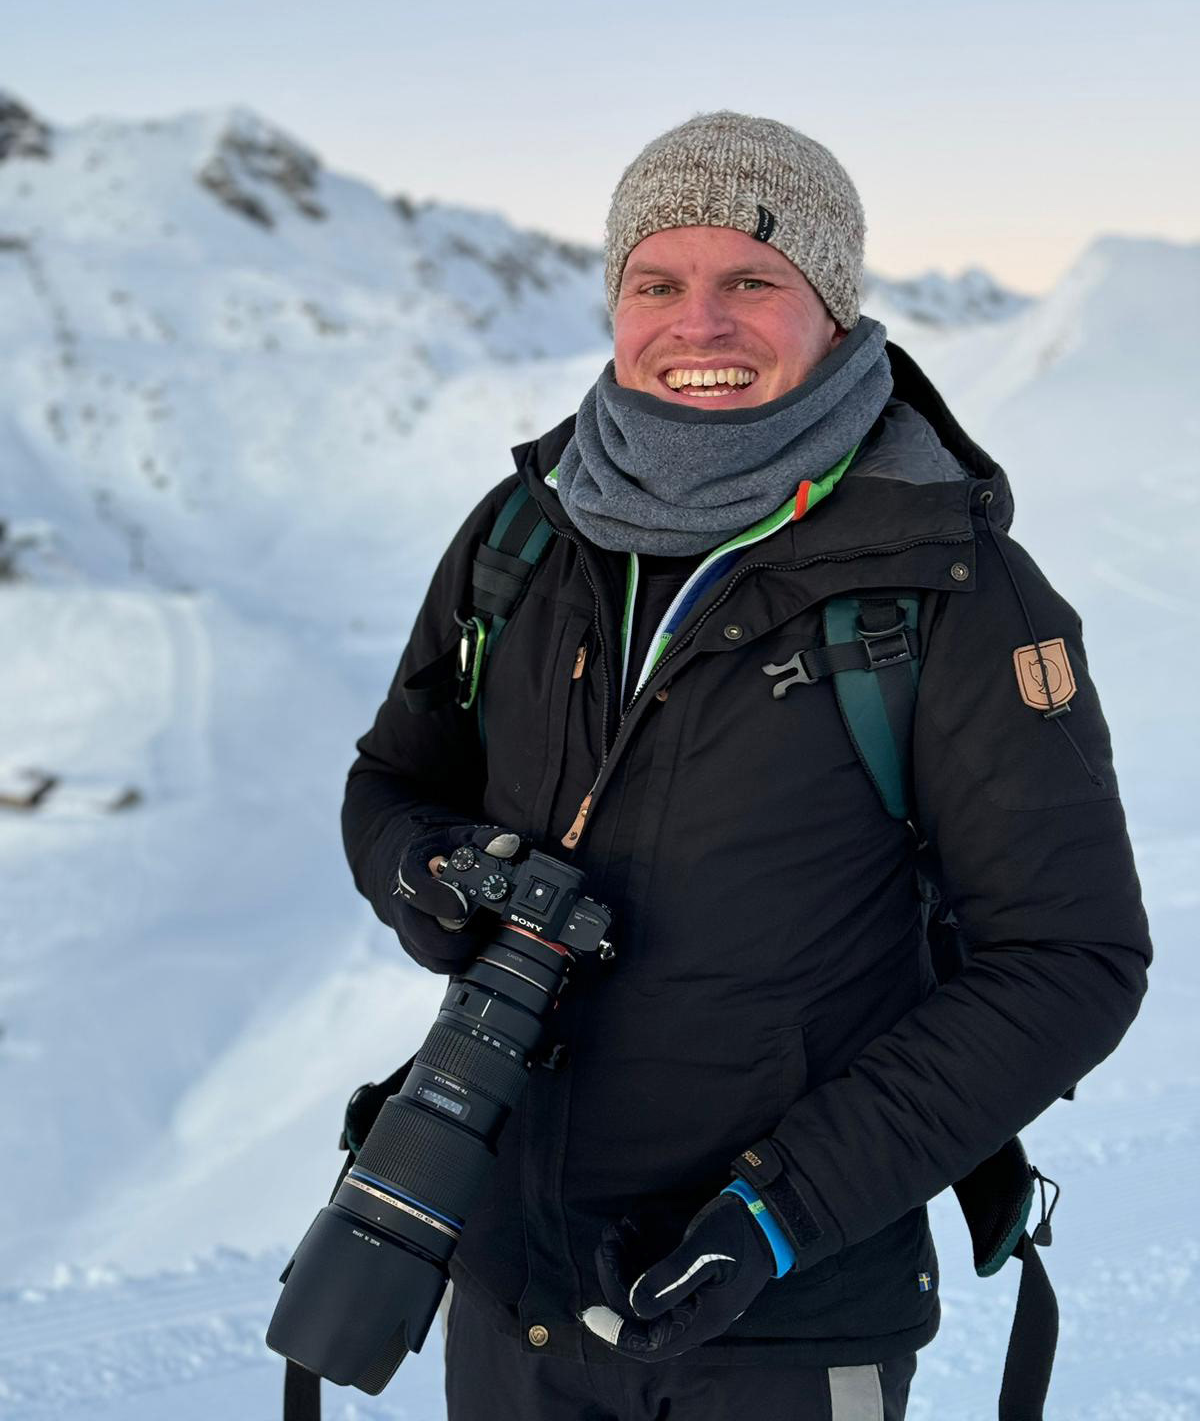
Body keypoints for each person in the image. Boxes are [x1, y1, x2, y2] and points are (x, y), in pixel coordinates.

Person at [342, 111, 1151, 1420]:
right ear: (616, 302)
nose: (698, 325)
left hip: (778, 1320)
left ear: (830, 306)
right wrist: (436, 874)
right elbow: (389, 785)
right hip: (509, 1298)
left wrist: (778, 1214)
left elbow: (1073, 959)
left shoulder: (950, 591)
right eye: (657, 282)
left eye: (751, 282)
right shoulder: (519, 540)